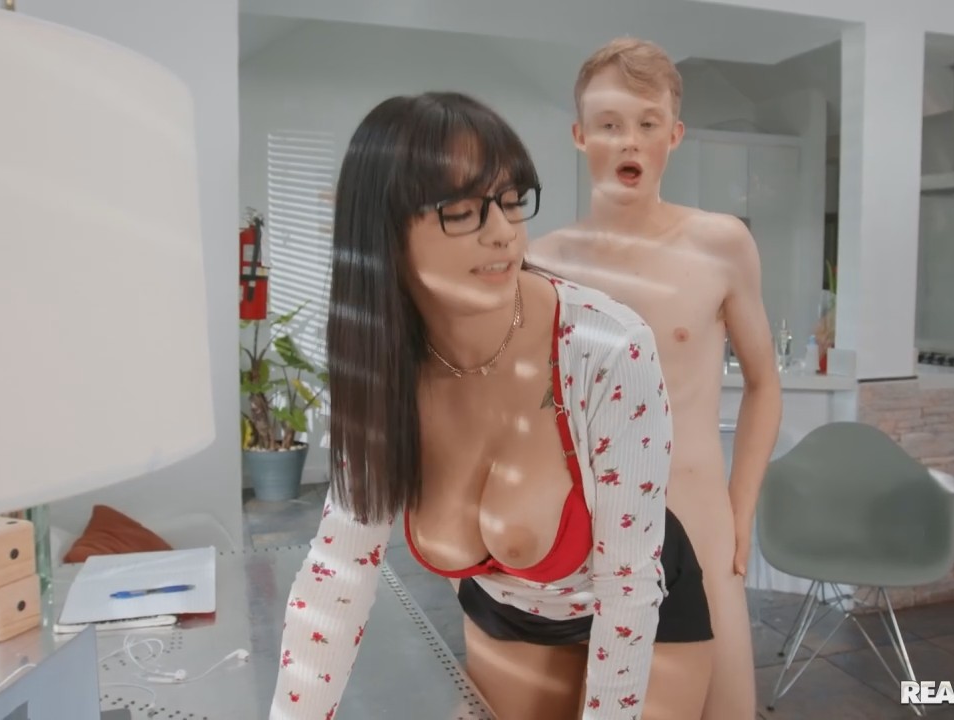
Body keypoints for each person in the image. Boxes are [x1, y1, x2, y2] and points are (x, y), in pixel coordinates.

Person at [269, 91, 714, 720]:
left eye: (510, 200)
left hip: (642, 610)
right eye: (461, 210)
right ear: (384, 231)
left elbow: (628, 585)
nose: (503, 230)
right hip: (508, 617)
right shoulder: (381, 366)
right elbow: (339, 571)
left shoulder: (606, 345)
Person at [527, 37, 783, 720]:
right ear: (581, 136)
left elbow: (764, 384)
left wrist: (740, 511)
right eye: (609, 124)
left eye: (647, 123)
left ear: (674, 134)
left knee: (726, 709)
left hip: (698, 523)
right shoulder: (540, 266)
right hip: (588, 534)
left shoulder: (721, 245)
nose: (628, 140)